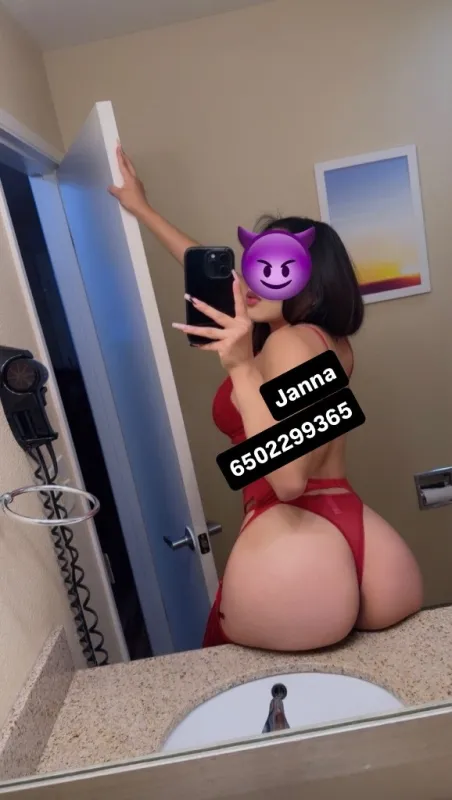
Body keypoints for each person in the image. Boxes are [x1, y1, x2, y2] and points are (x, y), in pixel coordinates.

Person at [109, 145, 424, 652]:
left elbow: (290, 480)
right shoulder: (330, 344)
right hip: (355, 526)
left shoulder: (287, 344)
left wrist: (239, 368)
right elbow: (217, 277)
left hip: (291, 531)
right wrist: (142, 209)